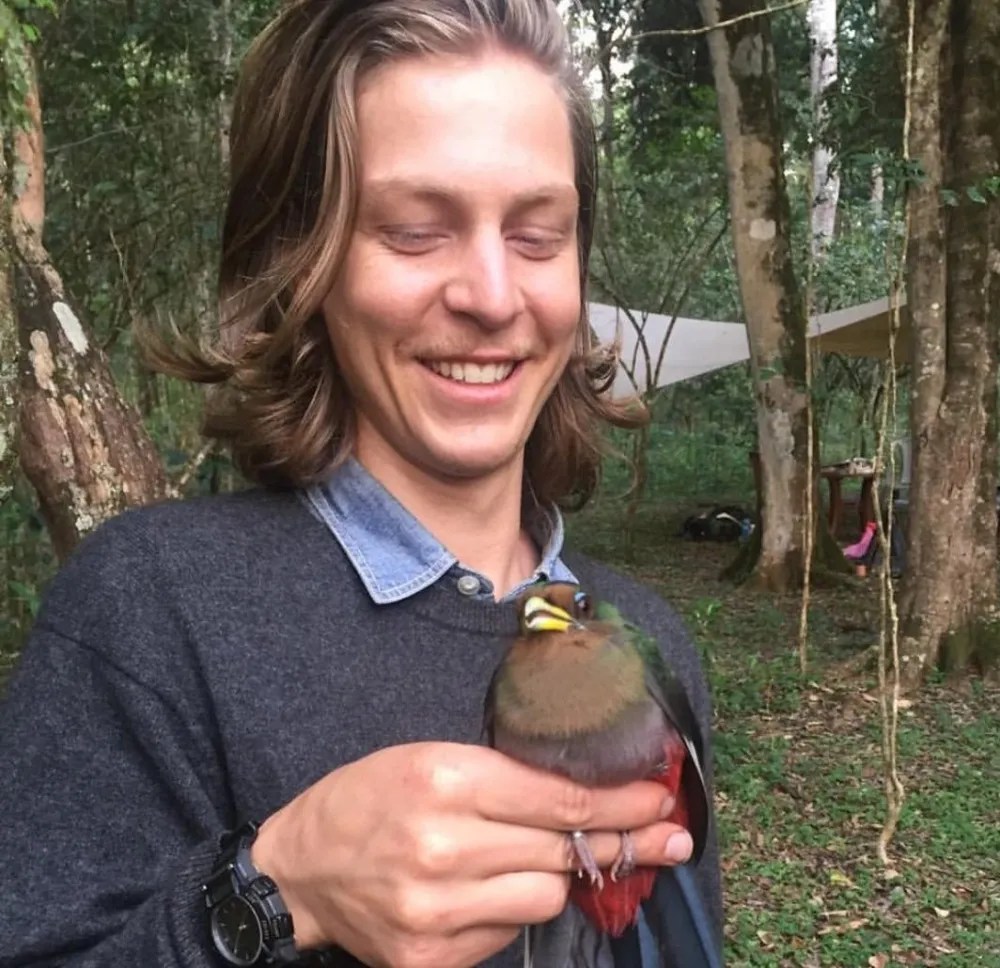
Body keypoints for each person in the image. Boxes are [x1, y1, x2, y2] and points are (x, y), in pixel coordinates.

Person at [0, 1, 723, 966]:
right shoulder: (150, 610)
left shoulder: (651, 638)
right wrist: (272, 890)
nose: (492, 296)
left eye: (538, 235)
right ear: (308, 263)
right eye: (416, 231)